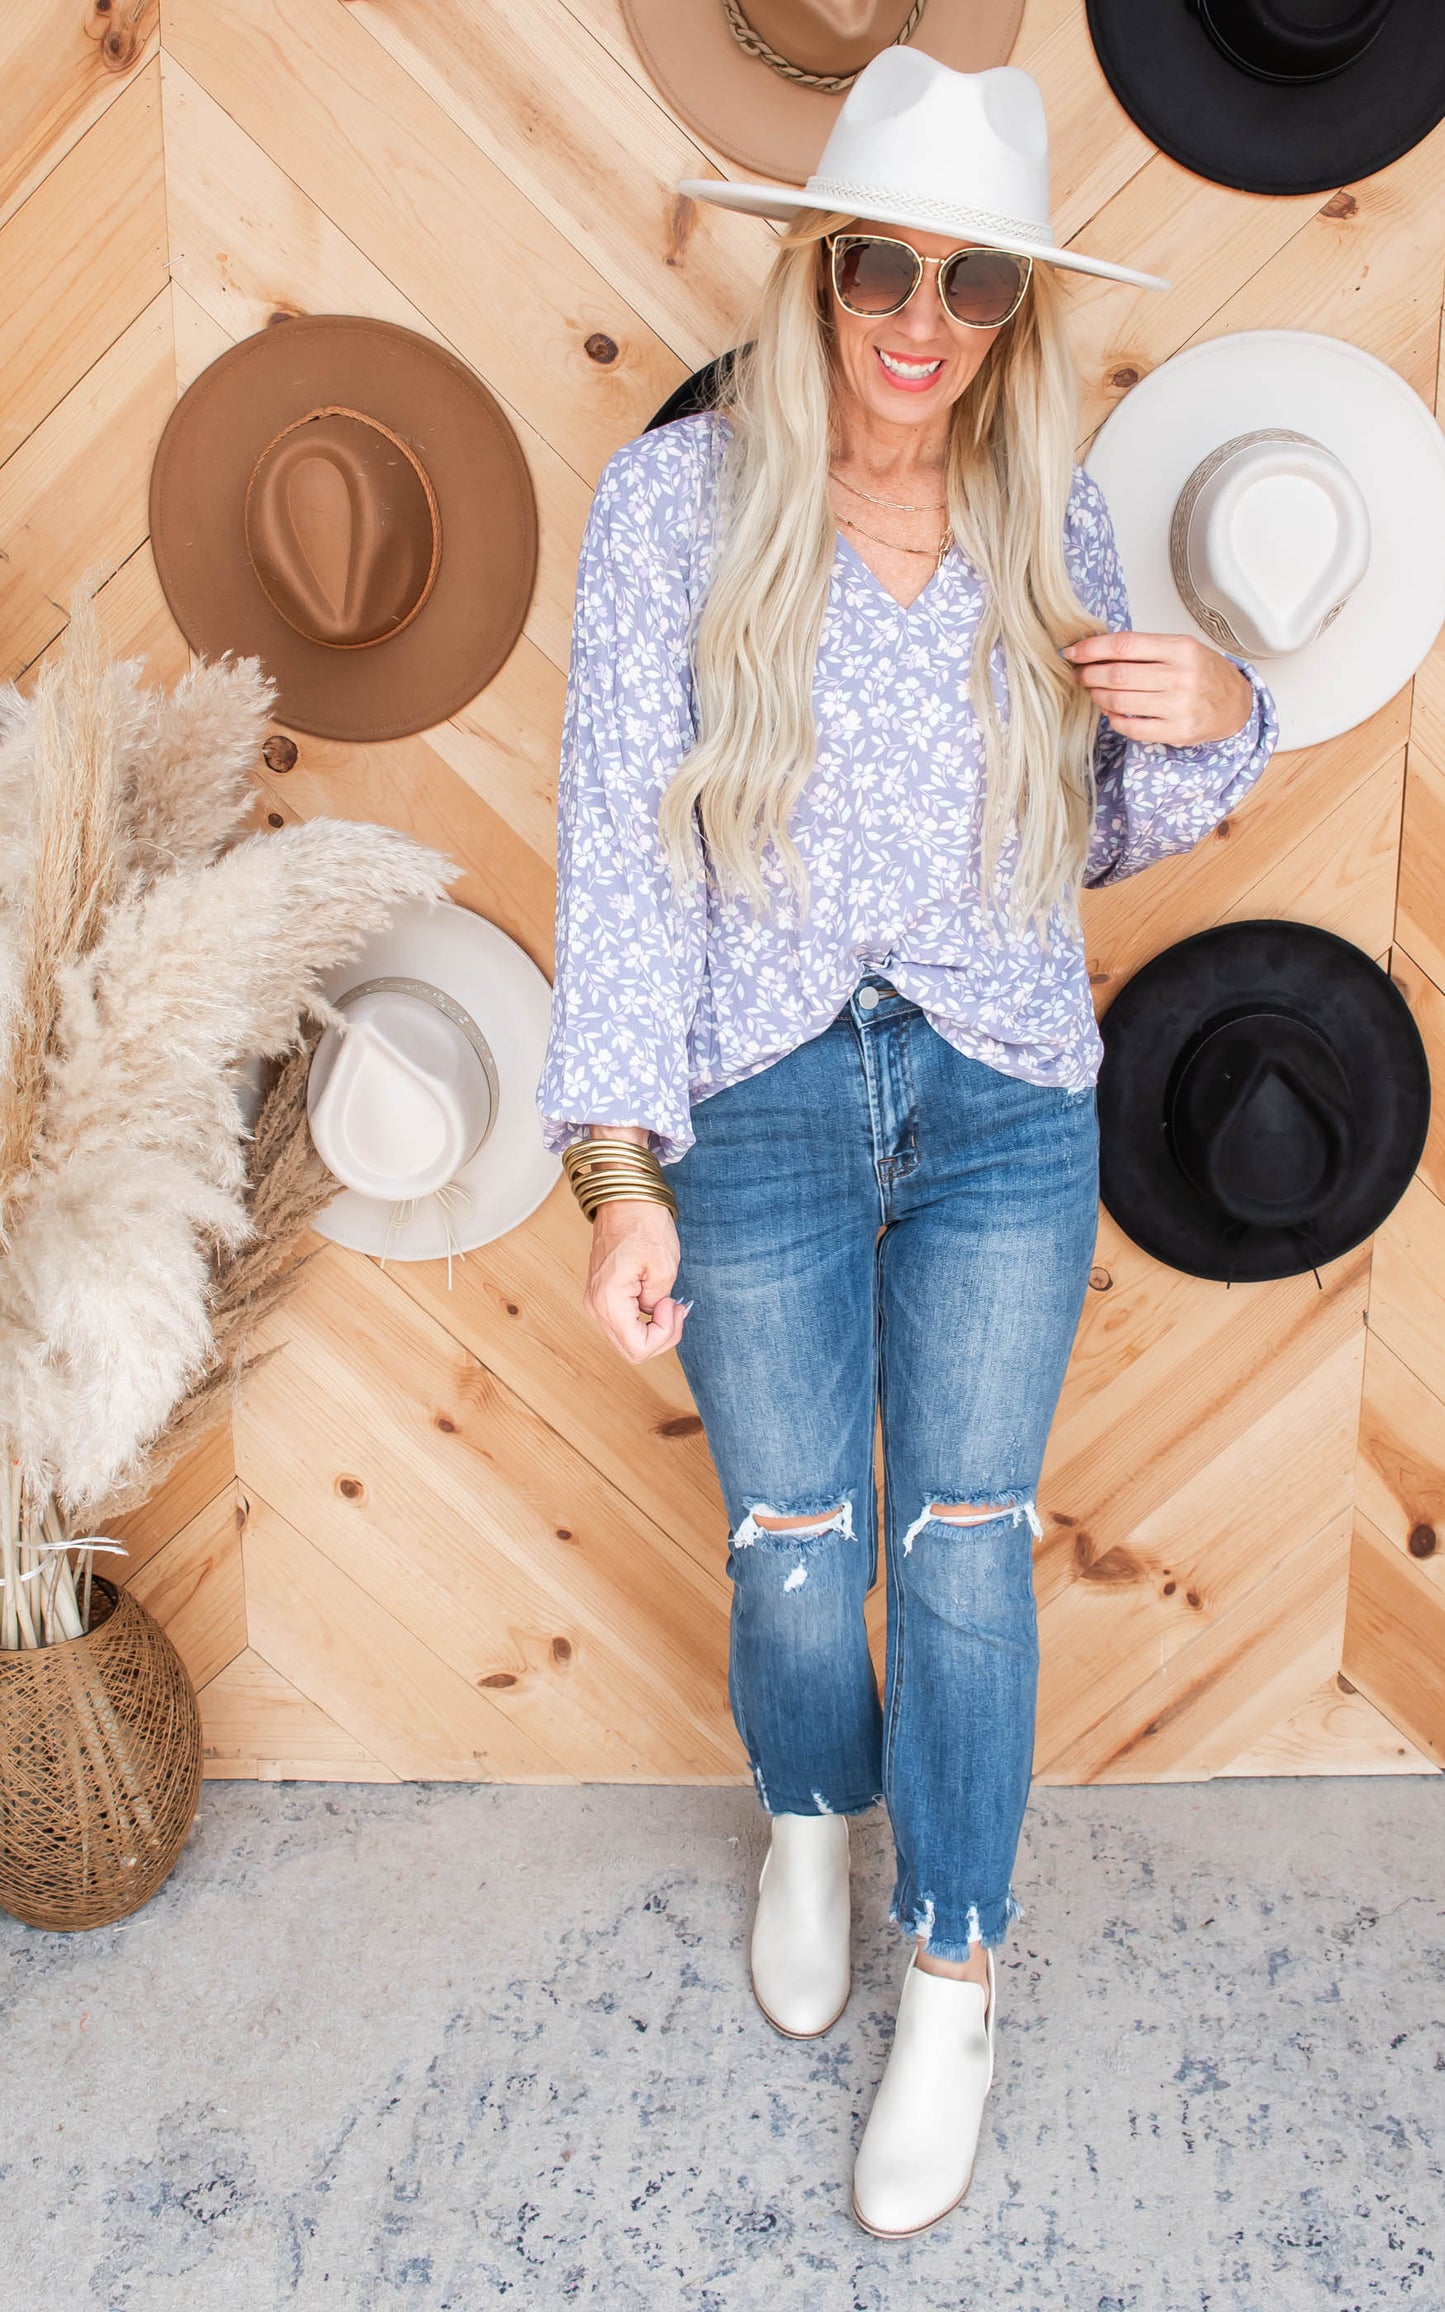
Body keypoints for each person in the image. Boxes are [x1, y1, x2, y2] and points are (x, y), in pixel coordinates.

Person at [535, 60, 1278, 2242]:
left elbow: (1091, 837)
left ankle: (954, 1970)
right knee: (789, 1529)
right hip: (753, 1087)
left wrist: (1225, 726)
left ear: (1018, 308)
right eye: (884, 264)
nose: (920, 319)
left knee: (961, 1539)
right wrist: (618, 1168)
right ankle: (805, 1809)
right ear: (820, 270)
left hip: (1003, 1100)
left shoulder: (1057, 516)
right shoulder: (672, 503)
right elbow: (618, 851)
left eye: (972, 280)